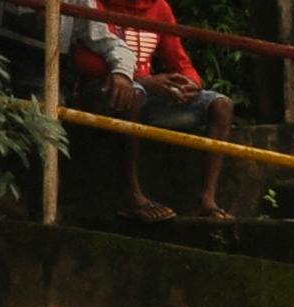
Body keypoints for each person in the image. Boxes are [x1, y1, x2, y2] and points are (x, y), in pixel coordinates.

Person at [74, 0, 235, 219]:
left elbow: (179, 59)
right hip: (106, 90)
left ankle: (207, 201)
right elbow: (87, 62)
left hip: (150, 95)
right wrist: (143, 81)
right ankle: (132, 196)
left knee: (221, 106)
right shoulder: (95, 4)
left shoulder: (159, 7)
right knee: (135, 94)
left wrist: (190, 84)